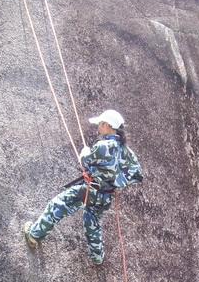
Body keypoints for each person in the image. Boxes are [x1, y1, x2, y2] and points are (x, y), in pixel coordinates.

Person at [23, 109, 143, 265]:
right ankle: (98, 257)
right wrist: (117, 182)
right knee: (92, 220)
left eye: (100, 124)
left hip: (89, 190)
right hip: (106, 196)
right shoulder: (127, 152)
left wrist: (85, 153)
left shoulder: (103, 146)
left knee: (58, 204)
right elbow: (137, 175)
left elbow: (85, 162)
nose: (98, 128)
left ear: (107, 125)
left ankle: (34, 234)